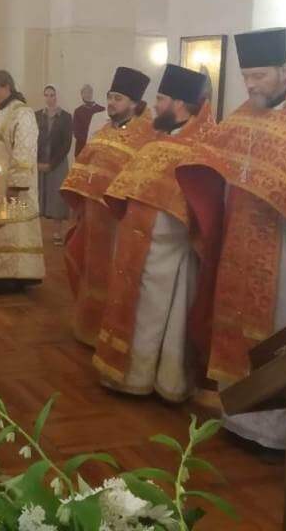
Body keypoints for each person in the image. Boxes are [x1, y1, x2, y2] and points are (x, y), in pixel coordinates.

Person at [176, 27, 286, 450]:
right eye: (246, 76)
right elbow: (212, 159)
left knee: (278, 330)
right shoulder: (245, 115)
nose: (250, 85)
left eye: (259, 76)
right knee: (233, 325)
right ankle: (237, 418)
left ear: (284, 71)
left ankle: (275, 433)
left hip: (285, 250)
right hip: (238, 243)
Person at [98, 64, 213, 400]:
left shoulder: (200, 145)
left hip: (170, 249)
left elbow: (200, 204)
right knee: (137, 310)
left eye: (161, 99)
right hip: (137, 240)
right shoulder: (157, 137)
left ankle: (157, 379)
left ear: (179, 103)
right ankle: (129, 374)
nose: (155, 105)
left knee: (161, 316)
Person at [61, 67, 157, 346]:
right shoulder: (105, 130)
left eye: (118, 98)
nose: (111, 103)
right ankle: (90, 327)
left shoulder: (146, 136)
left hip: (120, 222)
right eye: (110, 97)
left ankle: (112, 333)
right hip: (93, 218)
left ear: (134, 103)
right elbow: (85, 163)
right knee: (93, 272)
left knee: (116, 276)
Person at [0, 70, 45, 283]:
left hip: (10, 188)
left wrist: (15, 185)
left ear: (6, 87)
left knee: (13, 231)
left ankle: (15, 275)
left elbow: (24, 151)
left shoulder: (22, 113)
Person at [36, 85, 73, 244]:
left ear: (57, 96)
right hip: (39, 161)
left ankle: (57, 232)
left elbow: (67, 143)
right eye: (47, 95)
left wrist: (52, 164)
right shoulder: (37, 115)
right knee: (39, 195)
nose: (50, 98)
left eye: (52, 95)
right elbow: (32, 139)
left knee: (57, 197)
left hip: (58, 162)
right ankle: (36, 233)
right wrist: (37, 162)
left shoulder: (65, 117)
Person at [72, 83, 106, 156]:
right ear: (81, 95)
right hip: (81, 147)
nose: (87, 95)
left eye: (89, 92)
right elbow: (76, 132)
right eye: (85, 92)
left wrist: (95, 141)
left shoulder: (101, 109)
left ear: (92, 93)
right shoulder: (78, 111)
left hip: (97, 147)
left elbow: (104, 129)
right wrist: (88, 141)